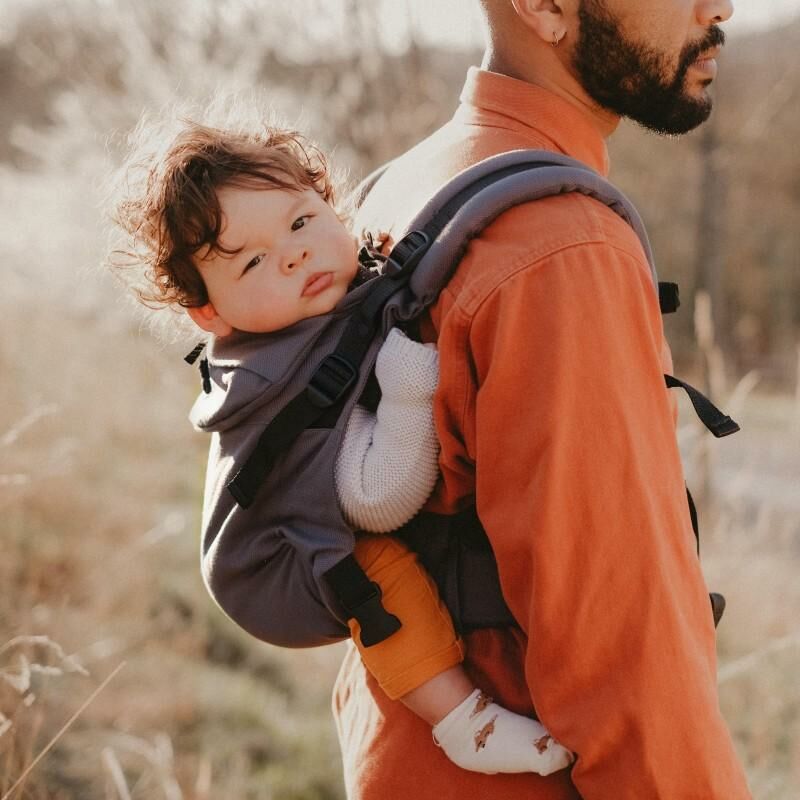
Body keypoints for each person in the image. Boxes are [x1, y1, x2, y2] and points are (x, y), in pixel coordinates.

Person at [333, 0, 754, 798]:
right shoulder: (562, 244)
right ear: (546, 7)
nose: (721, 7)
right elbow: (620, 650)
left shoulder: (400, 186)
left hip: (400, 757)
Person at [109, 119, 573, 777]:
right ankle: (465, 723)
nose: (294, 255)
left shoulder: (318, 301)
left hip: (284, 529)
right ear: (208, 314)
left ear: (331, 202)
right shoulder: (276, 373)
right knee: (377, 569)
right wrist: (412, 377)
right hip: (272, 562)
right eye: (251, 261)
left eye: (300, 223)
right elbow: (379, 497)